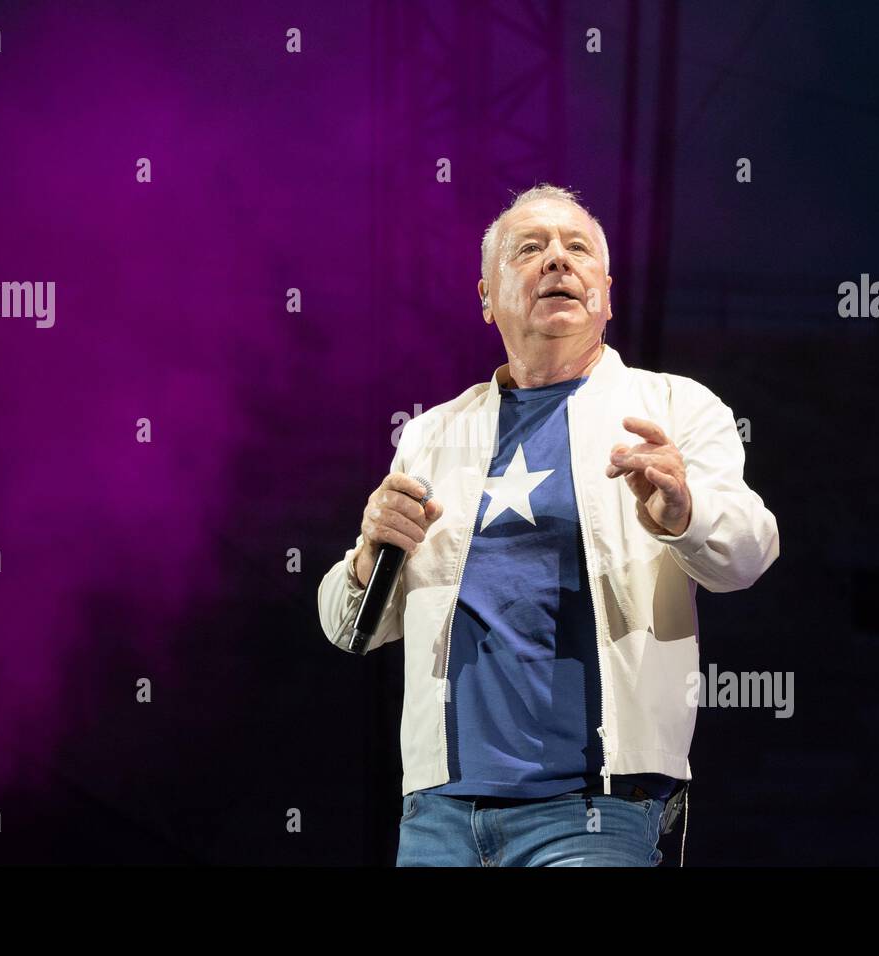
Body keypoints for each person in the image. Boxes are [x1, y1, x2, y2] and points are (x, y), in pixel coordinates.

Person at [317, 183, 780, 866]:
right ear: (486, 296)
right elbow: (349, 628)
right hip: (440, 816)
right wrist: (367, 556)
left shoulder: (674, 408)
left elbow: (748, 556)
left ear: (607, 292)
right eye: (529, 250)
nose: (557, 261)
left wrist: (685, 515)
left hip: (598, 813)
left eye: (577, 248)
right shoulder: (431, 435)